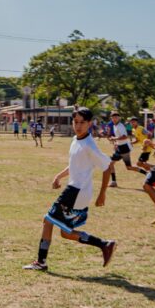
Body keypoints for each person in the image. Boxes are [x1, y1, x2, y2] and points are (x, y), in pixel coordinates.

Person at [23, 106, 117, 273]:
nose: (78, 125)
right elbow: (74, 165)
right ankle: (104, 244)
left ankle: (41, 262)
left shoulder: (89, 145)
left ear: (89, 124)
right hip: (75, 190)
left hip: (76, 192)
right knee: (65, 233)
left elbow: (108, 166)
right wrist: (59, 176)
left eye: (82, 122)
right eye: (75, 122)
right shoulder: (76, 139)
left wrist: (102, 193)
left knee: (47, 220)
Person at [106, 112, 138, 185]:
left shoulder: (120, 126)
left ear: (119, 118)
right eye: (113, 117)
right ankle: (114, 181)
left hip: (124, 148)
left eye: (116, 117)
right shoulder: (115, 125)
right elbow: (119, 137)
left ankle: (147, 173)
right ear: (111, 118)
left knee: (129, 167)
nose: (114, 119)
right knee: (111, 163)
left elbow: (125, 136)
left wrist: (115, 138)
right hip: (120, 148)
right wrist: (116, 143)